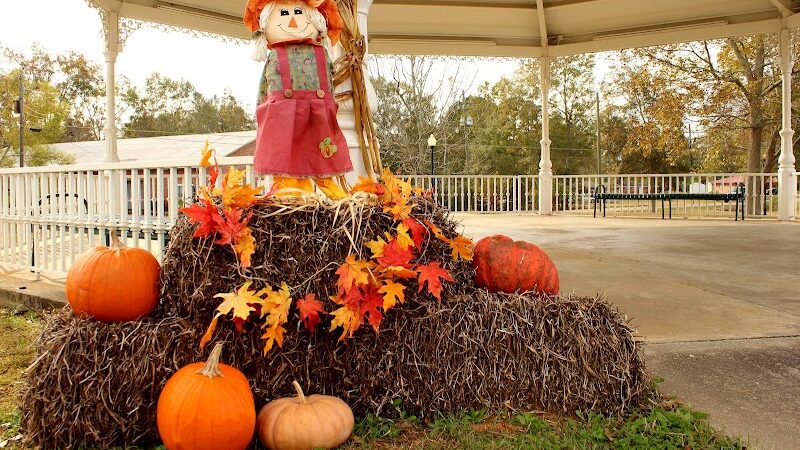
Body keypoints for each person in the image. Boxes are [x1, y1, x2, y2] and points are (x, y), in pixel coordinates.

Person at [244, 0, 351, 199]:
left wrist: (329, 105)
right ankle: (293, 199)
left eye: (299, 12)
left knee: (321, 160)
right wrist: (264, 110)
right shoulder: (275, 54)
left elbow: (328, 84)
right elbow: (264, 89)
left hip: (317, 114)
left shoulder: (321, 53)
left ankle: (332, 200)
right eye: (283, 13)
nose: (292, 19)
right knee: (287, 164)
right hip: (283, 116)